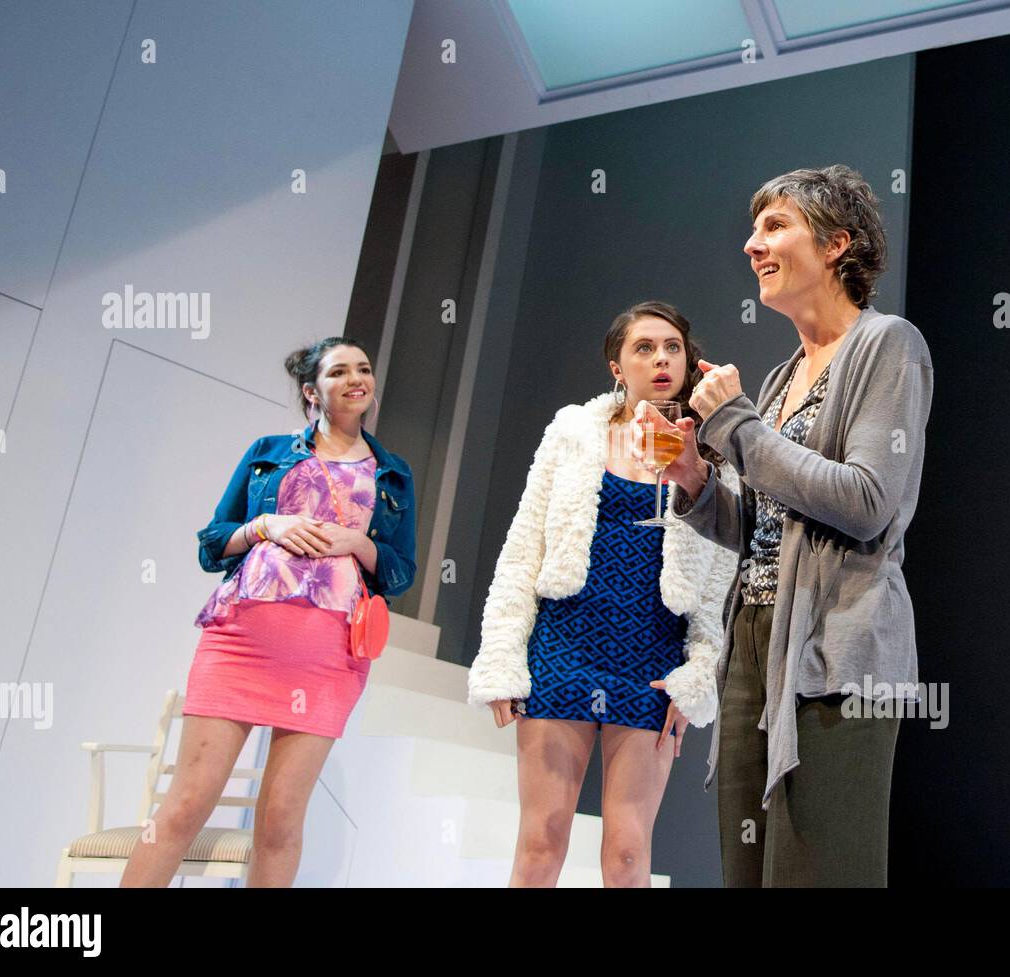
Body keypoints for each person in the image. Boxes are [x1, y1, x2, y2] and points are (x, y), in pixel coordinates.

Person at [646, 165, 934, 887]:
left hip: (839, 648)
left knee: (818, 872)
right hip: (756, 643)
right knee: (748, 873)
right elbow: (764, 526)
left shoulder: (887, 346)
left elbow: (867, 501)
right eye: (754, 228)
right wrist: (695, 479)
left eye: (775, 226)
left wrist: (737, 424)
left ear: (838, 243)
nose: (752, 244)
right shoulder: (780, 378)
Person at [121, 337, 416, 887]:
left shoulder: (392, 474)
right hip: (240, 642)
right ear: (312, 391)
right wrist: (266, 526)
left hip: (330, 656)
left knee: (281, 819)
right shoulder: (269, 452)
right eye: (339, 372)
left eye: (365, 369)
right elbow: (212, 543)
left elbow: (400, 571)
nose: (357, 379)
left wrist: (359, 542)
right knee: (185, 807)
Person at [467, 301, 739, 887]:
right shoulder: (572, 433)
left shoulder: (711, 454)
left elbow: (718, 589)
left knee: (627, 852)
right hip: (563, 650)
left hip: (651, 661)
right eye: (644, 347)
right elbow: (522, 553)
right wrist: (502, 660)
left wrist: (699, 674)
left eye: (672, 347)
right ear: (617, 365)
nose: (662, 358)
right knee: (541, 839)